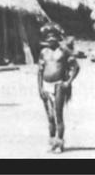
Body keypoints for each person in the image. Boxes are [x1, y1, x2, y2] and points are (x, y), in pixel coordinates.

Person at [38, 23, 80, 153]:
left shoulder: (64, 51)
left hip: (59, 85)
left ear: (58, 38)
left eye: (53, 37)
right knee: (50, 116)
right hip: (46, 85)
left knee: (58, 114)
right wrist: (40, 88)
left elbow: (76, 67)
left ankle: (60, 143)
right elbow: (39, 72)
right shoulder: (43, 52)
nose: (51, 39)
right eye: (48, 37)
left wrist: (68, 82)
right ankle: (52, 141)